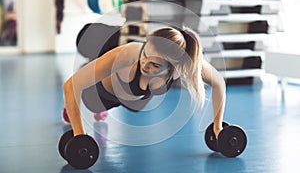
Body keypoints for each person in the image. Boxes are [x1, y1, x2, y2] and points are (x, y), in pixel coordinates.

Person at [62, 27, 226, 138]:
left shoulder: (183, 64)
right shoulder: (128, 54)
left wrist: (217, 126)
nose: (145, 64)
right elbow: (70, 85)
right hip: (100, 93)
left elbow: (219, 83)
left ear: (173, 66)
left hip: (134, 99)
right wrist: (79, 134)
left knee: (136, 107)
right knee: (94, 105)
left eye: (155, 65)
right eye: (146, 54)